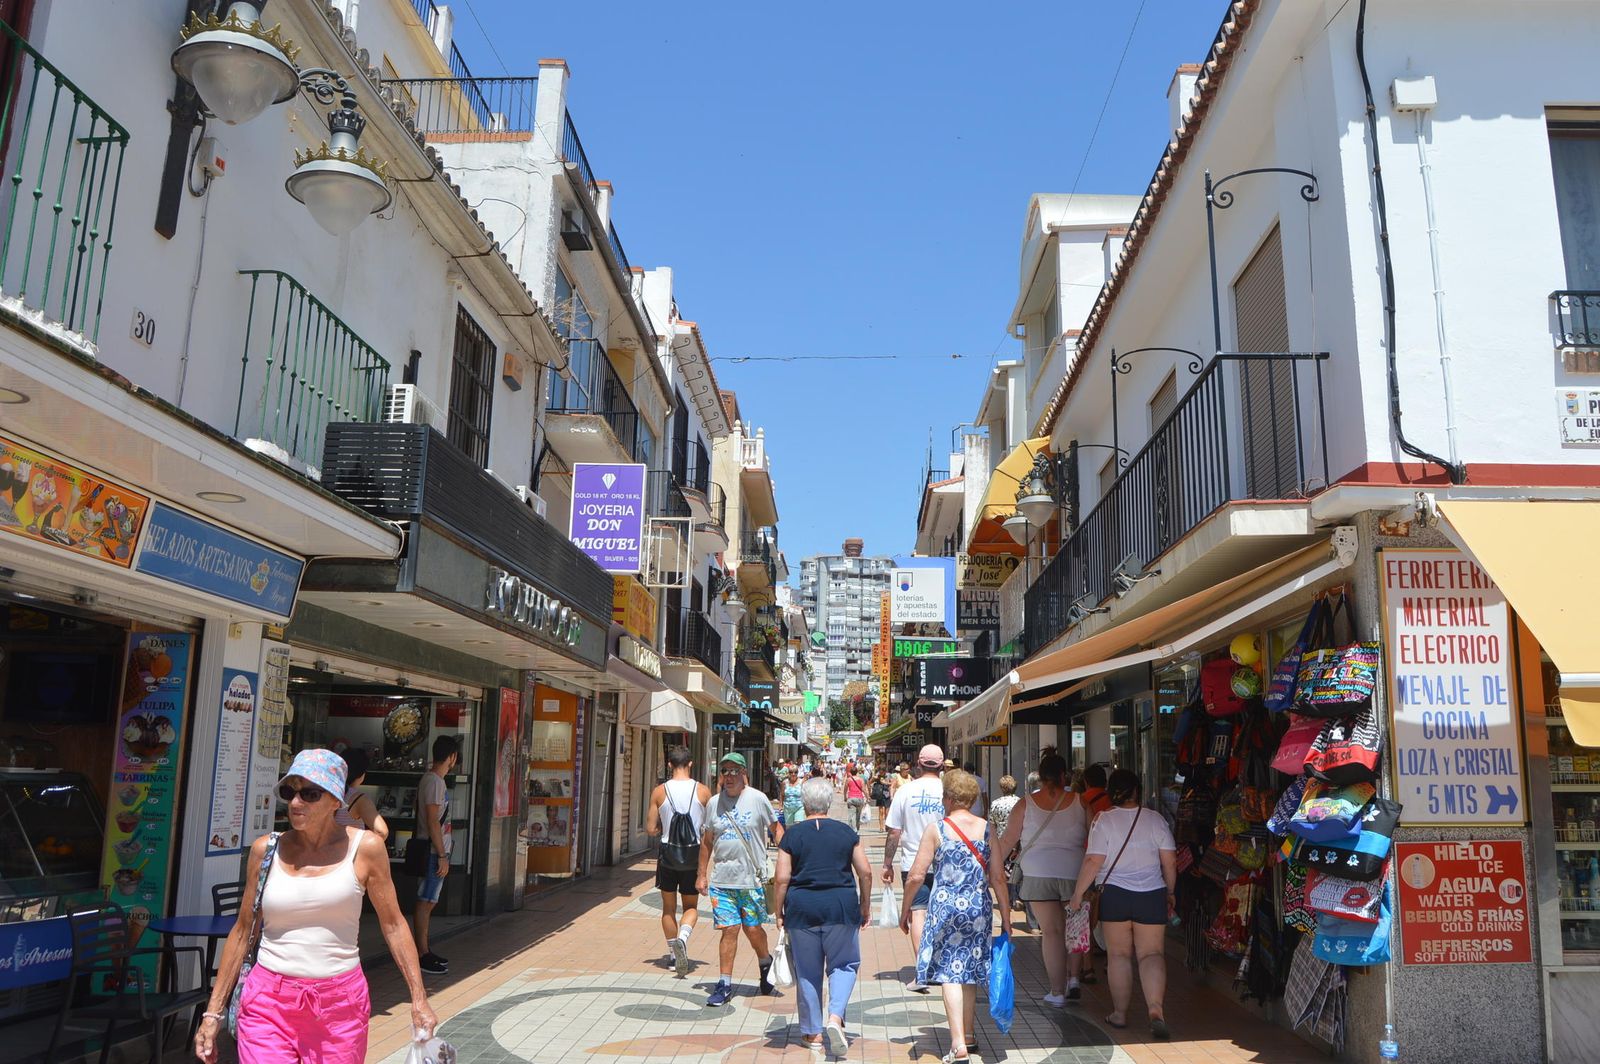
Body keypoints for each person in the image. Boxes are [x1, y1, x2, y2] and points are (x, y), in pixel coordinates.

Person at [194, 750, 437, 1064]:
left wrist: (419, 998)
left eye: (310, 793)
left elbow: (392, 924)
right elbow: (242, 932)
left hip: (338, 1005)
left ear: (336, 800)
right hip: (267, 1001)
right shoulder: (265, 851)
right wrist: (213, 1012)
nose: (296, 803)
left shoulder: (365, 849)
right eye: (290, 792)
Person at [901, 769, 1009, 1063]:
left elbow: (916, 875)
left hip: (945, 908)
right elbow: (998, 877)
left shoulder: (937, 829)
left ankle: (958, 1043)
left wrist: (906, 908)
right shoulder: (987, 829)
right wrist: (1007, 917)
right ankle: (970, 1034)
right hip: (978, 907)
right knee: (970, 970)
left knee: (950, 972)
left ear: (948, 798)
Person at [1069, 768, 1178, 1040]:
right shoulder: (1155, 820)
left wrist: (1077, 894)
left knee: (1118, 955)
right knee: (1151, 954)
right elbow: (1170, 860)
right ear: (1137, 791)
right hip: (1152, 893)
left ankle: (1119, 1013)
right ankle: (1156, 1011)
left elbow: (1093, 861)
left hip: (1114, 894)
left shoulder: (1103, 821)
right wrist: (1171, 890)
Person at [773, 777, 873, 1056]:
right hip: (841, 907)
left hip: (802, 908)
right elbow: (865, 871)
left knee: (808, 970)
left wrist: (778, 911)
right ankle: (835, 1017)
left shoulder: (792, 835)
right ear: (829, 802)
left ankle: (812, 1033)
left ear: (804, 803)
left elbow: (782, 878)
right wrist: (865, 905)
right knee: (844, 964)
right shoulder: (845, 832)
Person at [996, 752, 1088, 1006]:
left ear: (1040, 776)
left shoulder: (1025, 803)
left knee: (1052, 932)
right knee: (1074, 929)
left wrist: (991, 869)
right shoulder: (1081, 802)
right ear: (1063, 775)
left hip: (1037, 873)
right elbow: (1095, 840)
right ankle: (1074, 979)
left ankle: (1057, 992)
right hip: (1074, 873)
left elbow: (1008, 840)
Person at [697, 752, 784, 1007]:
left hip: (752, 880)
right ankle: (724, 983)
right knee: (730, 930)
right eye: (725, 771)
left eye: (735, 771)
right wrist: (701, 875)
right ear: (720, 776)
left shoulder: (757, 799)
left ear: (744, 774)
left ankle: (765, 961)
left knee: (753, 929)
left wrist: (785, 859)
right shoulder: (713, 803)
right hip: (722, 881)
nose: (730, 776)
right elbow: (707, 841)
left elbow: (775, 829)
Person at [882, 745, 946, 990]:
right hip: (945, 863)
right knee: (940, 914)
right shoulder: (949, 790)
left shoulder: (906, 790)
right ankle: (941, 967)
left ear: (919, 764)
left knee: (918, 914)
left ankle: (923, 969)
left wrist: (888, 863)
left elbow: (894, 831)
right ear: (941, 765)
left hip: (913, 862)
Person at [647, 745, 712, 975]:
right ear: (690, 764)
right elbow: (710, 829)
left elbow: (650, 828)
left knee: (667, 907)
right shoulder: (703, 791)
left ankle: (673, 955)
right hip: (693, 854)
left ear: (669, 764)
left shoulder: (659, 791)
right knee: (691, 906)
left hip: (668, 855)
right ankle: (684, 938)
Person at [412, 735, 459, 975]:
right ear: (452, 757)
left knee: (429, 901)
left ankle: (424, 951)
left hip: (436, 850)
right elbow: (432, 821)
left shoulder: (434, 781)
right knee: (425, 902)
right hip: (433, 851)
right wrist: (442, 854)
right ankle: (421, 953)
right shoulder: (434, 782)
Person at [334, 748, 389, 841]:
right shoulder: (359, 799)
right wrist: (361, 846)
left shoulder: (326, 793)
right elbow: (381, 832)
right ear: (361, 773)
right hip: (348, 853)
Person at [843, 763, 869, 831]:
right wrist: (867, 797)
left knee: (851, 815)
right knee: (858, 815)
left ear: (851, 772)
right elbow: (863, 789)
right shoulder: (861, 779)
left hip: (851, 798)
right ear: (857, 772)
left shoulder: (848, 779)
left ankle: (852, 830)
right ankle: (857, 829)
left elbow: (845, 789)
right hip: (860, 799)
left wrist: (845, 797)